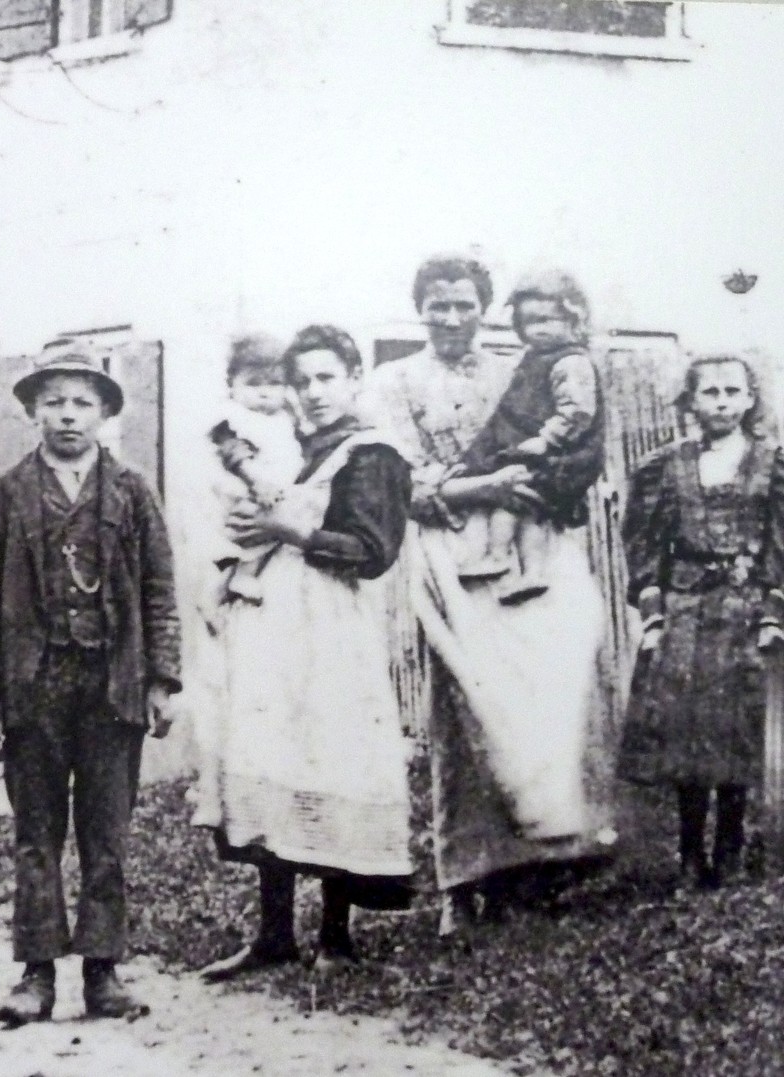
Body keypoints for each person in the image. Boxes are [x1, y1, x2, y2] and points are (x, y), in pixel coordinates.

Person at [365, 255, 613, 929]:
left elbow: (573, 445)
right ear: (421, 309)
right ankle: (465, 879)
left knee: (541, 700)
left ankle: (539, 865)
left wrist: (535, 487)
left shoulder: (521, 367)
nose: (451, 318)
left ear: (484, 309)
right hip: (450, 550)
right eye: (438, 305)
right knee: (465, 710)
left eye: (465, 305)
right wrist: (487, 488)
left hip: (530, 542)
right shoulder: (394, 381)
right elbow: (404, 485)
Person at [0, 338, 181, 1026]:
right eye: (54, 401)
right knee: (37, 831)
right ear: (32, 411)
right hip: (35, 682)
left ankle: (104, 970)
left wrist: (162, 677)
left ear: (105, 412)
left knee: (106, 830)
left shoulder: (133, 490)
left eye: (83, 402)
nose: (69, 415)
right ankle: (36, 971)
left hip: (113, 681)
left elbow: (160, 588)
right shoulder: (7, 492)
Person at [194, 326, 413, 978]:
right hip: (273, 627)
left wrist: (291, 529)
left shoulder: (372, 454)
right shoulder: (287, 449)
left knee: (332, 758)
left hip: (333, 627)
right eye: (302, 381)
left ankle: (336, 936)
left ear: (353, 380)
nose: (313, 393)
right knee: (273, 757)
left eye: (326, 378)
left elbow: (372, 552)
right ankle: (273, 934)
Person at [619, 355, 784, 889]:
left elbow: (780, 543)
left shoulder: (771, 463)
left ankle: (731, 849)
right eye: (708, 391)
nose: (720, 401)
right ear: (689, 401)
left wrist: (774, 609)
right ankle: (690, 854)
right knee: (688, 735)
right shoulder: (665, 466)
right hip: (687, 608)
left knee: (736, 728)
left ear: (750, 399)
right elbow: (644, 544)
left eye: (732, 391)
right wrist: (653, 611)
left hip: (743, 609)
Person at [455, 271, 604, 603]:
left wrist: (547, 439)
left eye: (547, 320)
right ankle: (531, 572)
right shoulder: (534, 359)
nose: (537, 329)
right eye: (528, 322)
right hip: (541, 450)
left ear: (573, 319)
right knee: (528, 505)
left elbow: (577, 411)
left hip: (564, 452)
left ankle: (499, 557)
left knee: (514, 500)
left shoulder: (571, 362)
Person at [207, 334, 305, 601]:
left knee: (281, 530)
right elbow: (235, 455)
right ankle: (243, 576)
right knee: (260, 530)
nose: (264, 392)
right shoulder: (235, 418)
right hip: (249, 487)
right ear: (232, 385)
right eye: (253, 384)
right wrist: (257, 482)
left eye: (275, 384)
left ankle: (217, 593)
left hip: (275, 487)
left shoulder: (285, 418)